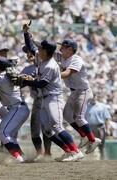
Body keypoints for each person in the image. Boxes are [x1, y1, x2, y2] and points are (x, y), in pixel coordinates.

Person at [22, 23, 84, 162]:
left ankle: (76, 151)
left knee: (57, 126)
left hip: (53, 98)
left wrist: (25, 81)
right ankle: (68, 151)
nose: (38, 49)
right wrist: (26, 33)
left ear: (45, 51)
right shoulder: (42, 57)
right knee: (47, 131)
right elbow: (31, 47)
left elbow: (41, 84)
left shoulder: (50, 65)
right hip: (45, 98)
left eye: (40, 47)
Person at [56, 38, 101, 154]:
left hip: (83, 91)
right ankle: (84, 136)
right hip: (74, 91)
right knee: (66, 114)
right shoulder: (63, 57)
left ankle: (92, 140)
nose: (60, 48)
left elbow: (67, 73)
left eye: (63, 47)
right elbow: (46, 49)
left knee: (79, 117)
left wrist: (52, 76)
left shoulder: (77, 60)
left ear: (70, 49)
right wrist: (30, 38)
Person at [20, 45, 52, 161]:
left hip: (48, 99)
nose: (29, 54)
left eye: (31, 52)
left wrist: (31, 79)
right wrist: (21, 79)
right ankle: (40, 153)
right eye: (27, 53)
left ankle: (48, 153)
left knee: (47, 129)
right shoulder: (27, 69)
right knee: (34, 129)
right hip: (37, 100)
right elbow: (19, 83)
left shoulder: (47, 65)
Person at [85, 94, 111, 160]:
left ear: (97, 97)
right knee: (90, 146)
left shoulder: (102, 106)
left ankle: (103, 160)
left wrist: (108, 129)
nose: (93, 98)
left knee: (101, 145)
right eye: (92, 96)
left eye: (94, 96)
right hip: (89, 128)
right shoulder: (86, 106)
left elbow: (107, 118)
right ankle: (89, 161)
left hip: (100, 127)